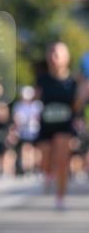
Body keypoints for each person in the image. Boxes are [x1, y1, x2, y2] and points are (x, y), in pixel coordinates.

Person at [36, 41, 80, 209]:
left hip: (64, 125)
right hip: (46, 124)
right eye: (51, 53)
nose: (54, 58)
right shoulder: (43, 79)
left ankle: (60, 198)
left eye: (58, 54)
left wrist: (82, 96)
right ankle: (47, 173)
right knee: (45, 161)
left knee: (62, 162)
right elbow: (37, 100)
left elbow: (76, 108)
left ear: (66, 58)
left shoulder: (73, 82)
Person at [12, 86, 42, 175]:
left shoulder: (36, 105)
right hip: (23, 131)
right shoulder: (19, 105)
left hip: (34, 130)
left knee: (34, 150)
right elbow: (16, 119)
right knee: (26, 149)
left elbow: (38, 118)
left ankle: (34, 167)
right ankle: (26, 168)